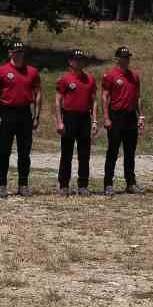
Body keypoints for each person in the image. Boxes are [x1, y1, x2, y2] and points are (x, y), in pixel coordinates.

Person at [0, 41, 42, 198]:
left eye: (21, 52)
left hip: (25, 113)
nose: (18, 54)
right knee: (4, 151)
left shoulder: (32, 72)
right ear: (9, 53)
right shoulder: (1, 71)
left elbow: (38, 94)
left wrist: (36, 116)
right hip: (7, 113)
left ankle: (23, 184)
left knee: (24, 152)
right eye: (15, 51)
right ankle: (2, 185)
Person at [100, 46, 145, 196]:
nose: (126, 60)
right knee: (113, 151)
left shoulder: (134, 76)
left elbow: (137, 97)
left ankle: (130, 183)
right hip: (116, 115)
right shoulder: (111, 75)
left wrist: (141, 115)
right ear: (117, 58)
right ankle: (108, 184)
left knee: (130, 151)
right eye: (123, 57)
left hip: (130, 116)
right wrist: (106, 117)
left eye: (128, 57)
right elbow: (105, 96)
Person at [54, 48, 98, 196]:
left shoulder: (90, 79)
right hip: (69, 117)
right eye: (76, 59)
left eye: (81, 60)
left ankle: (83, 185)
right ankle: (64, 184)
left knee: (84, 152)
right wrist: (60, 121)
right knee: (66, 152)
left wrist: (94, 121)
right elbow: (58, 100)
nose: (79, 62)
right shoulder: (65, 79)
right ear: (70, 62)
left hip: (84, 118)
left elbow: (94, 101)